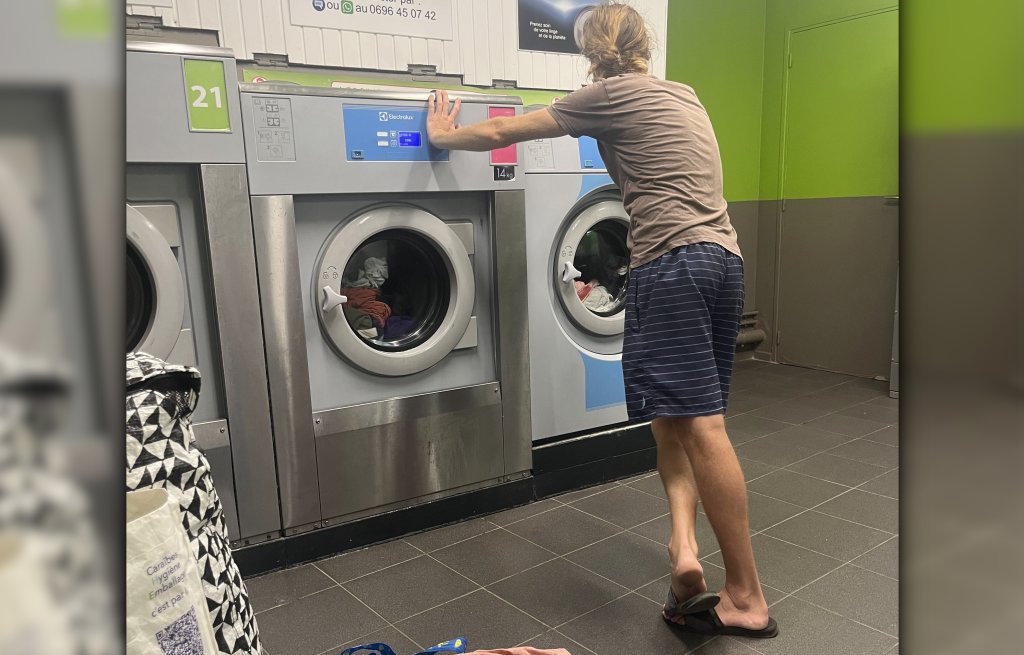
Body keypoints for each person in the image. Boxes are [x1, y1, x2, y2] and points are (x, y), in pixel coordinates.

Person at [426, 1, 776, 640]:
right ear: (645, 45)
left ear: (592, 55)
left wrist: (444, 136)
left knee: (700, 425)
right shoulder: (682, 92)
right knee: (674, 418)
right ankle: (683, 553)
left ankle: (748, 596)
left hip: (670, 261)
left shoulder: (606, 97)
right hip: (722, 260)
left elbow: (511, 129)